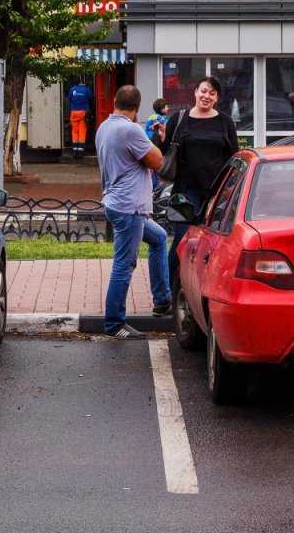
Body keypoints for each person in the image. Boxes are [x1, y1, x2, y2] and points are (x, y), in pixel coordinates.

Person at [95, 85, 170, 337]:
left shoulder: (104, 127)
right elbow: (158, 161)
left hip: (116, 202)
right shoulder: (130, 130)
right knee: (123, 264)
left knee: (159, 238)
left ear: (115, 102)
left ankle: (162, 300)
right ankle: (114, 323)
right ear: (137, 108)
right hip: (129, 208)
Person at [161, 76, 239, 285]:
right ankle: (171, 291)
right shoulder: (178, 119)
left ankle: (201, 289)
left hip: (217, 195)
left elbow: (234, 157)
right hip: (184, 193)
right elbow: (165, 152)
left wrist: (229, 191)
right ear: (195, 92)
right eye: (203, 91)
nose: (206, 96)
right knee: (181, 243)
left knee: (212, 246)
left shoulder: (225, 122)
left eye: (212, 93)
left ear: (217, 98)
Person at [67, 79, 94, 157]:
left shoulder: (72, 89)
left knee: (75, 131)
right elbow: (91, 98)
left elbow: (69, 98)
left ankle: (75, 151)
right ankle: (81, 152)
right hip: (83, 112)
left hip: (74, 112)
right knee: (82, 131)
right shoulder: (86, 89)